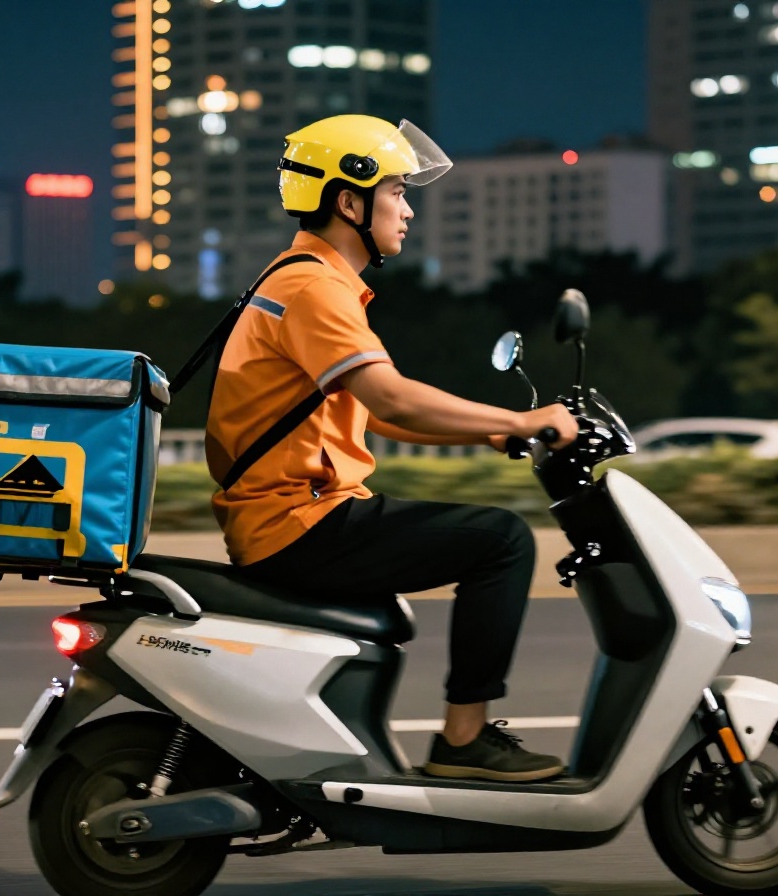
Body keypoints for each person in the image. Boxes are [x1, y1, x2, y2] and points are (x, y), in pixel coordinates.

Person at [203, 114, 580, 783]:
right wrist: (523, 420)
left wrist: (489, 430)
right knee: (502, 541)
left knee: (478, 536)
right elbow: (393, 398)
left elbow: (374, 411)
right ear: (350, 202)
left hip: (293, 514)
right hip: (298, 521)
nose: (407, 210)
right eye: (397, 192)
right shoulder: (315, 288)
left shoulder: (303, 278)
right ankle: (465, 741)